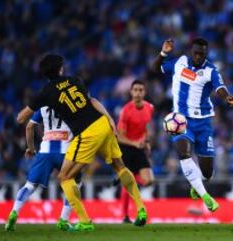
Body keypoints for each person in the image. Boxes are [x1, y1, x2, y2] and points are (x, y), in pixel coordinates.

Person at [16, 54, 147, 231]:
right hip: (102, 124)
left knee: (64, 177)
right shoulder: (74, 80)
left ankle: (84, 221)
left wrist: (28, 109)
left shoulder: (45, 93)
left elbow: (21, 118)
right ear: (60, 69)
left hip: (86, 133)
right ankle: (141, 210)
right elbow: (91, 101)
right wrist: (109, 119)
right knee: (120, 166)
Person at [151, 38, 233, 211]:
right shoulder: (180, 62)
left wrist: (227, 97)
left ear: (206, 53)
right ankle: (206, 197)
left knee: (207, 173)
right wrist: (163, 53)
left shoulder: (210, 70)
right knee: (183, 152)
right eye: (196, 53)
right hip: (180, 119)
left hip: (203, 122)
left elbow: (220, 88)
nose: (198, 56)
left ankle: (196, 184)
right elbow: (156, 68)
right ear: (192, 51)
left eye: (202, 54)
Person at [5, 107, 76, 231]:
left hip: (45, 152)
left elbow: (29, 127)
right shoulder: (69, 103)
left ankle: (14, 212)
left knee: (30, 185)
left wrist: (31, 149)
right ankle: (64, 220)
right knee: (73, 184)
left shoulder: (43, 106)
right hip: (66, 153)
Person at [116, 80, 154, 223]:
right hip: (126, 148)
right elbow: (119, 137)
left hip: (139, 147)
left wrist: (147, 142)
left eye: (140, 90)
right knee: (129, 183)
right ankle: (125, 216)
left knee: (149, 181)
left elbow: (146, 126)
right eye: (135, 90)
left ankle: (121, 178)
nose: (138, 93)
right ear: (131, 92)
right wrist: (134, 143)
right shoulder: (126, 111)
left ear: (144, 92)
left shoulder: (149, 108)